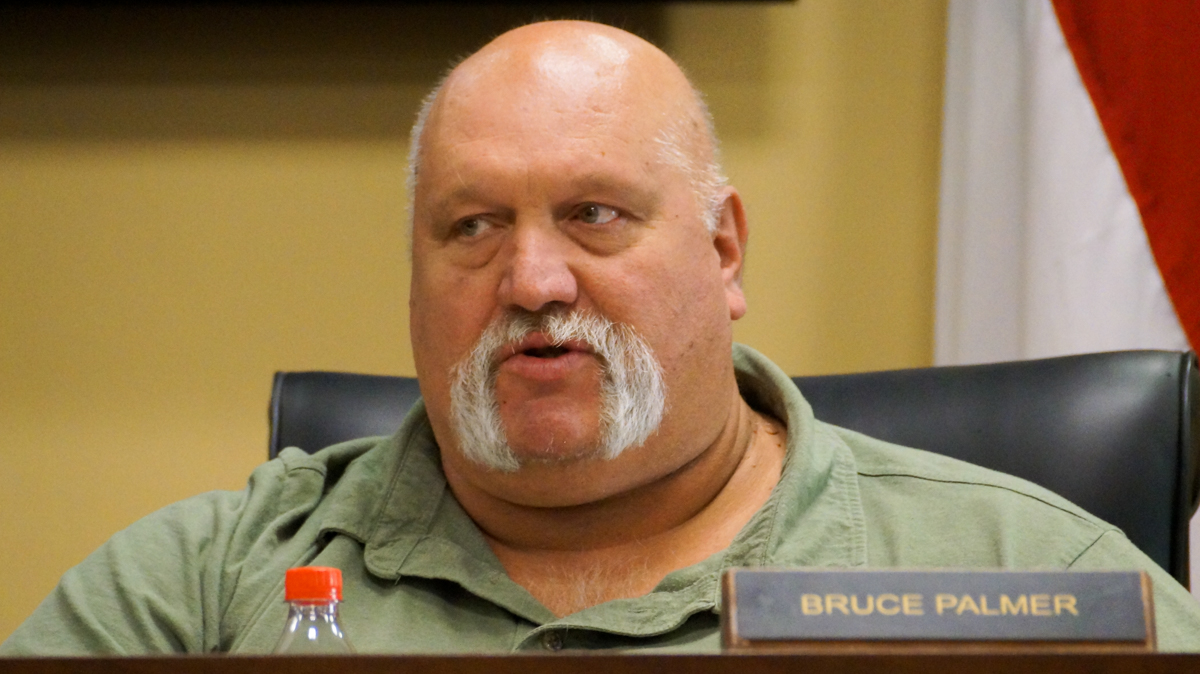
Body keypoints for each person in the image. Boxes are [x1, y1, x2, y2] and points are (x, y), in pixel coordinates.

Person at [4, 20, 1200, 655]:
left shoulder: (1021, 571)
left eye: (595, 214)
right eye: (472, 226)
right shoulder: (208, 585)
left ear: (723, 251)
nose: (532, 280)